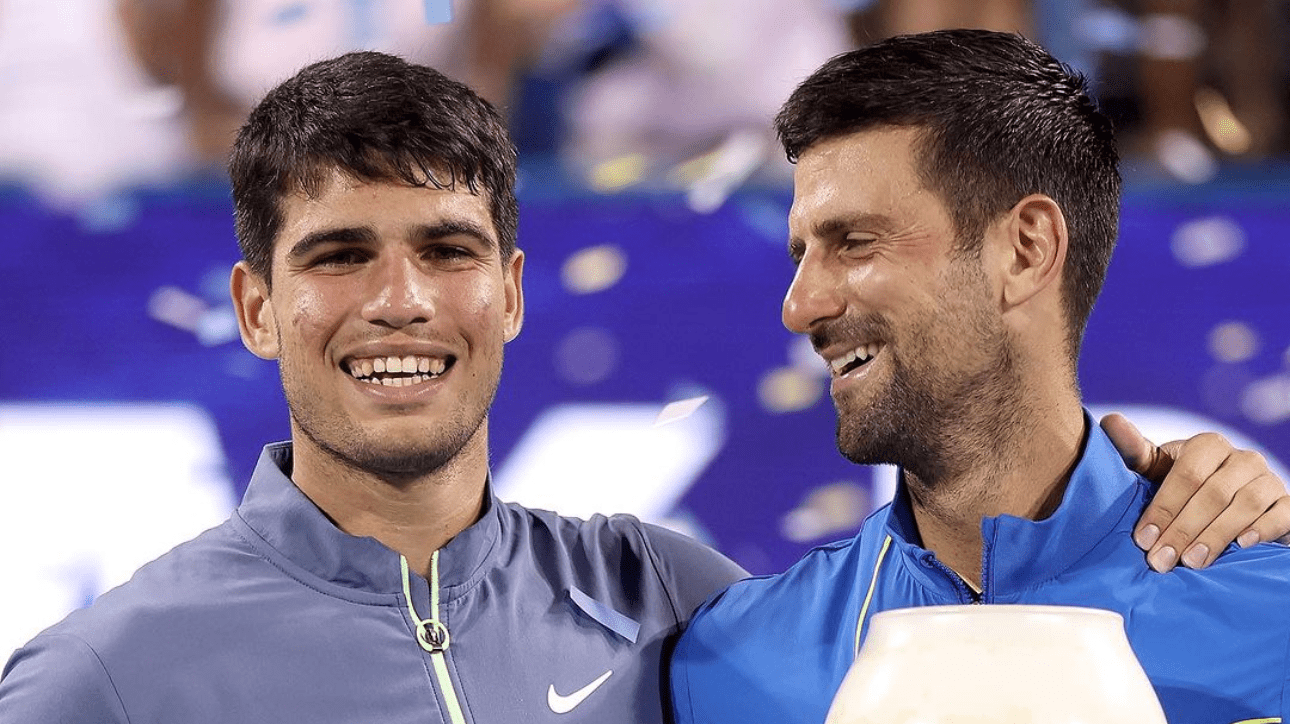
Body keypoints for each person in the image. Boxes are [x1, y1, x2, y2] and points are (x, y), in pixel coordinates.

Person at [0, 48, 1282, 724]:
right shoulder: (105, 677)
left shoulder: (664, 610)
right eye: (339, 257)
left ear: (508, 289)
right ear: (254, 307)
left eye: (446, 252)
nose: (400, 302)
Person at [668, 28, 1290, 724]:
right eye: (801, 254)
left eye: (857, 243)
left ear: (1026, 250)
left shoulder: (1274, 625)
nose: (799, 306)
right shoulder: (729, 660)